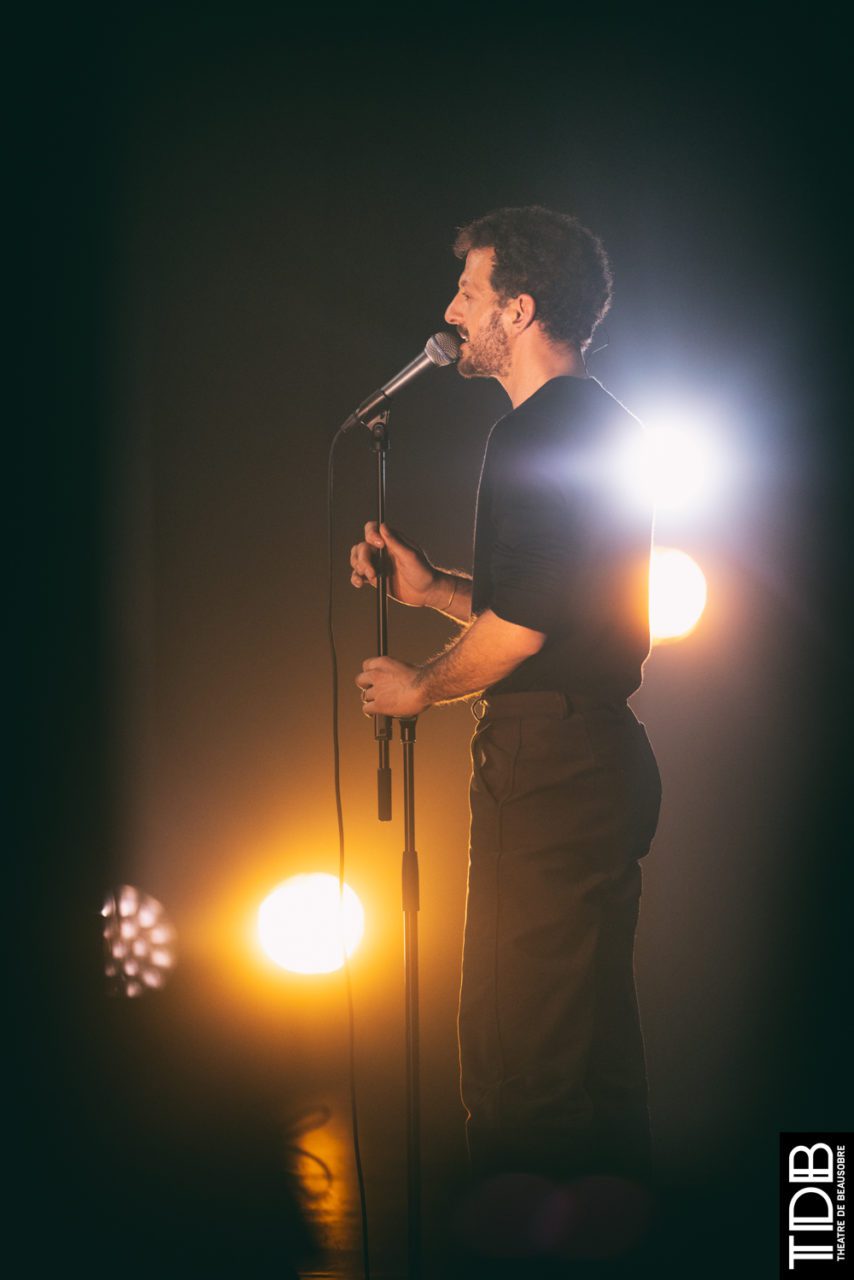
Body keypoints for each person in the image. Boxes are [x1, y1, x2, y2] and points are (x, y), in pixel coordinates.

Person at [350, 206, 661, 1185]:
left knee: (519, 1062)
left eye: (467, 293)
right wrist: (431, 588)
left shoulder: (540, 431)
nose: (450, 313)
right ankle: (616, 1235)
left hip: (551, 764)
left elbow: (524, 630)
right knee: (586, 1048)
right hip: (593, 758)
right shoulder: (599, 425)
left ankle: (532, 1241)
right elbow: (547, 608)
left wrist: (419, 687)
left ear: (517, 310)